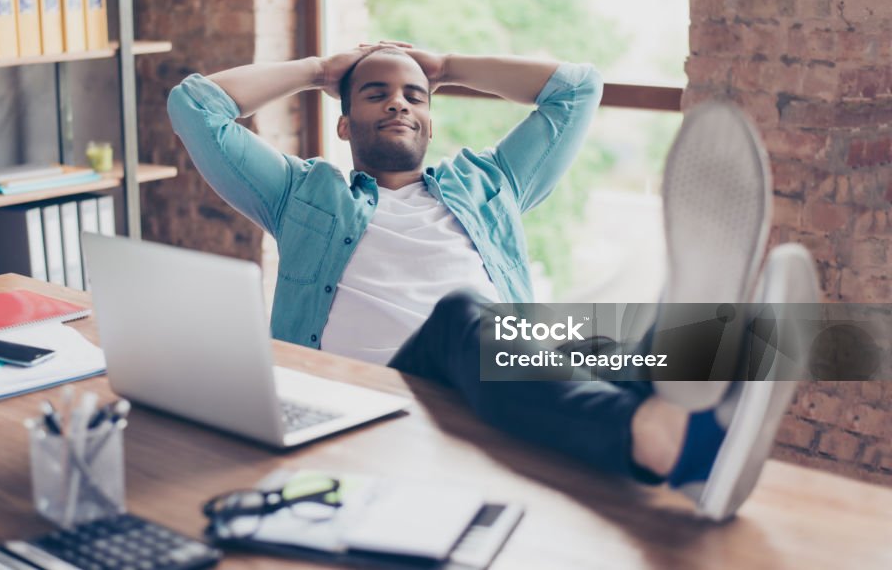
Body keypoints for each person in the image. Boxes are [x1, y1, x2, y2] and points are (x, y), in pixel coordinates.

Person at [167, 43, 820, 520]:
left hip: (501, 367)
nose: (399, 100)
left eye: (415, 95)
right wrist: (318, 71)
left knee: (598, 338)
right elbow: (195, 106)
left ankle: (700, 409)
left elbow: (577, 89)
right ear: (344, 124)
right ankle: (666, 432)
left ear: (432, 118)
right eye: (375, 93)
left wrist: (448, 65)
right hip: (391, 388)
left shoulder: (489, 184)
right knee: (463, 315)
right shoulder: (304, 193)